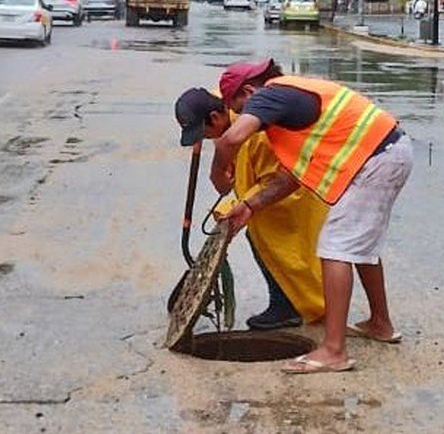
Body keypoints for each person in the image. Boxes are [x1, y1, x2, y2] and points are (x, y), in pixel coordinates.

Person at [207, 61, 414, 373]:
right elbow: (293, 177)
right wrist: (251, 205)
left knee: (335, 247)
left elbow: (229, 140)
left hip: (376, 160)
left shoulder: (269, 96)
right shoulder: (291, 106)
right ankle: (380, 323)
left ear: (248, 91)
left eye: (238, 107)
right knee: (361, 245)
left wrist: (219, 174)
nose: (242, 116)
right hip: (387, 153)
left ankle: (334, 351)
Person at [174, 65, 327, 330]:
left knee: (282, 252)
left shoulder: (259, 137)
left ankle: (287, 306)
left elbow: (275, 180)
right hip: (266, 187)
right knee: (259, 239)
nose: (208, 138)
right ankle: (285, 301)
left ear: (216, 116)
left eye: (206, 132)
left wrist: (243, 204)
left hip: (291, 194)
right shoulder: (223, 106)